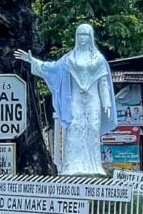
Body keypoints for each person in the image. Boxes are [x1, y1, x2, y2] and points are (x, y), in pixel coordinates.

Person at [15, 23, 116, 176]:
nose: (82, 38)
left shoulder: (99, 59)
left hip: (93, 100)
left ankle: (94, 166)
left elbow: (103, 83)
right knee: (74, 128)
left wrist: (107, 102)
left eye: (85, 35)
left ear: (91, 37)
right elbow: (52, 69)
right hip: (75, 99)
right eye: (80, 35)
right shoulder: (70, 59)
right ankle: (72, 166)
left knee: (92, 129)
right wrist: (33, 61)